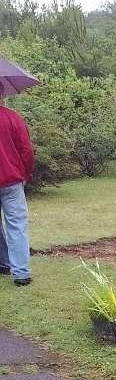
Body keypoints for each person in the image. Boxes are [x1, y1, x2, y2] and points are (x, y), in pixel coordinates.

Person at [0, 98, 34, 286]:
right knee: (16, 225)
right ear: (2, 93)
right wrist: (25, 173)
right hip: (12, 180)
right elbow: (26, 150)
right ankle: (21, 273)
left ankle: (4, 263)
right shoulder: (13, 118)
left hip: (10, 180)